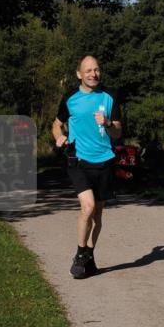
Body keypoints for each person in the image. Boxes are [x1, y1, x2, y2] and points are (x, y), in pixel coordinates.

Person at [52, 55, 122, 278]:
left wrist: (109, 123)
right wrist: (59, 137)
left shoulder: (109, 97)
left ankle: (89, 255)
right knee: (88, 207)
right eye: (89, 70)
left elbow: (118, 132)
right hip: (78, 160)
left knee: (98, 216)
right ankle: (80, 252)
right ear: (79, 74)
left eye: (97, 70)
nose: (93, 74)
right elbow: (56, 124)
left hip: (104, 160)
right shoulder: (70, 98)